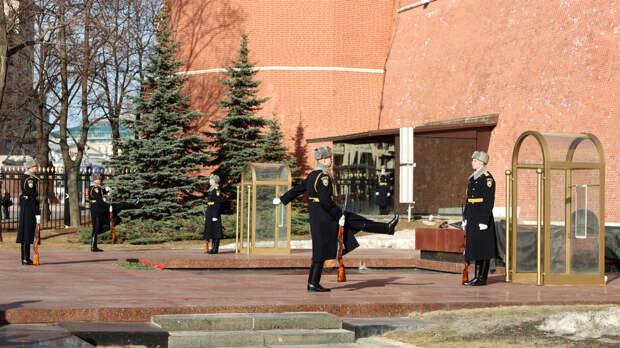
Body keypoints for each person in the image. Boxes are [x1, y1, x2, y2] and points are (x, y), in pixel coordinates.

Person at [273, 146, 399, 292]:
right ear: (322, 160)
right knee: (322, 249)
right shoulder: (323, 177)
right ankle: (313, 283)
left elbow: (299, 189)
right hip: (326, 216)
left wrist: (282, 199)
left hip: (319, 216)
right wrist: (339, 217)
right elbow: (326, 202)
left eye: (330, 157)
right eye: (328, 158)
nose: (331, 160)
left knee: (353, 222)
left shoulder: (313, 175)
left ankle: (387, 228)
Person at [462, 151, 497, 286]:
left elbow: (488, 201)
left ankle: (481, 278)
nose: (472, 162)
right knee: (476, 248)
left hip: (482, 218)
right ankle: (476, 276)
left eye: (475, 161)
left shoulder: (487, 179)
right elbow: (469, 200)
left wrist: (484, 220)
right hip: (472, 216)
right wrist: (465, 217)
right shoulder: (473, 178)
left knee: (483, 249)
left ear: (481, 163)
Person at [88, 173, 139, 252]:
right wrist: (109, 207)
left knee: (116, 217)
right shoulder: (94, 188)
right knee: (96, 228)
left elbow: (101, 194)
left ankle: (134, 204)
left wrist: (106, 190)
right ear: (95, 180)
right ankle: (135, 204)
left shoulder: (97, 188)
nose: (100, 180)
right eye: (99, 179)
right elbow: (99, 201)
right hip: (99, 210)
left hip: (99, 210)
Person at [16, 158, 40, 265]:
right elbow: (31, 196)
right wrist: (36, 212)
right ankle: (25, 258)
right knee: (27, 232)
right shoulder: (30, 179)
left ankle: (25, 257)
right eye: (35, 166)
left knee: (27, 232)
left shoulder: (28, 178)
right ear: (31, 167)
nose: (37, 167)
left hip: (27, 207)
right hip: (29, 208)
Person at [203, 174, 222, 254]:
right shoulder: (211, 189)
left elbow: (217, 202)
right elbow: (209, 203)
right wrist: (207, 215)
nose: (209, 181)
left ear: (214, 181)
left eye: (211, 179)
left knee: (216, 231)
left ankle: (215, 249)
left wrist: (215, 215)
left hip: (214, 212)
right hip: (210, 211)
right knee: (210, 231)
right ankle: (212, 248)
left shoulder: (217, 189)